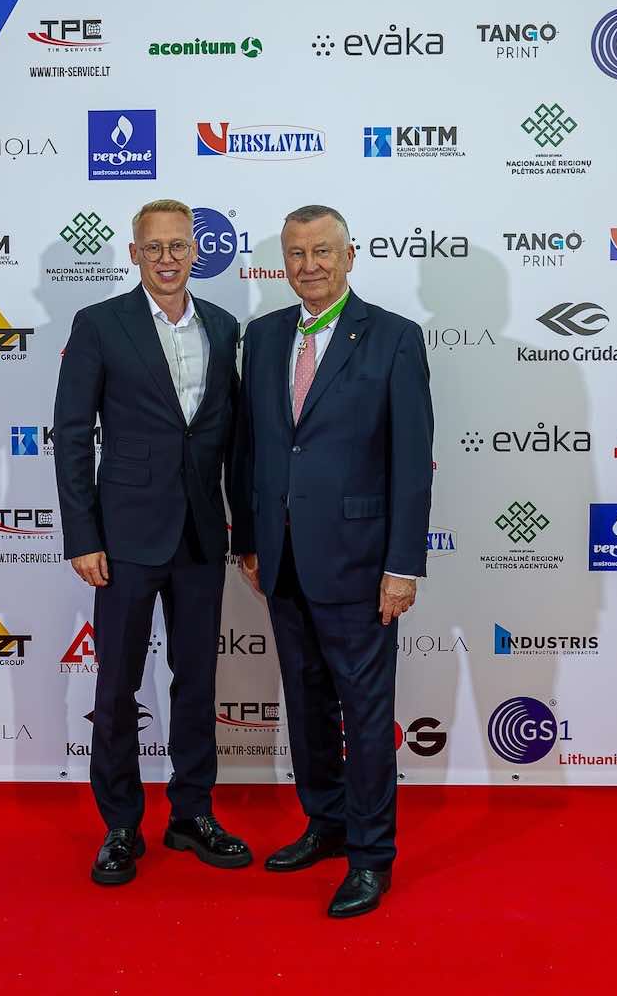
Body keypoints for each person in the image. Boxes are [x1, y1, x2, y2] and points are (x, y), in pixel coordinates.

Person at [231, 205, 434, 918]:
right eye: (296, 253)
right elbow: (250, 447)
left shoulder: (393, 338)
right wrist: (249, 540)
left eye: (322, 251)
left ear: (349, 256)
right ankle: (326, 822)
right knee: (306, 702)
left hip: (360, 563)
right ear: (282, 262)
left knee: (365, 713)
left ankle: (371, 855)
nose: (309, 265)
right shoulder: (263, 337)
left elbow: (411, 461)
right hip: (282, 558)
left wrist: (402, 566)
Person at [54, 199, 252, 885]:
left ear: (196, 251)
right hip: (125, 537)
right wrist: (83, 534)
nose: (168, 258)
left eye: (178, 246)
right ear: (134, 253)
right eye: (154, 247)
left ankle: (192, 812)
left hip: (201, 533)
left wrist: (247, 531)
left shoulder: (223, 326)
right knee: (117, 685)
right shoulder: (99, 324)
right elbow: (72, 435)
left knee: (197, 680)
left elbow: (235, 441)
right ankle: (119, 823)